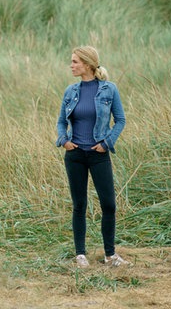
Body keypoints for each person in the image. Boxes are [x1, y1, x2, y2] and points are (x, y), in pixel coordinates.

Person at [56, 46, 130, 268]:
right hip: (75, 155)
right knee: (79, 205)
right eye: (72, 61)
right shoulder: (70, 91)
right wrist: (64, 140)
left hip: (99, 155)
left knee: (108, 205)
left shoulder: (109, 89)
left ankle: (110, 255)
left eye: (75, 62)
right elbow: (61, 121)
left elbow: (121, 120)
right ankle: (80, 255)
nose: (71, 65)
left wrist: (107, 143)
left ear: (88, 64)